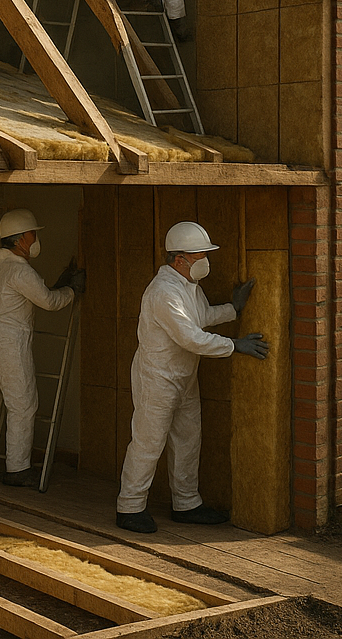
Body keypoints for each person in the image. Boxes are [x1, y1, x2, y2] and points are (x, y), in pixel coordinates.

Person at [116, 221, 268, 534]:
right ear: (179, 259)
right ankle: (129, 507)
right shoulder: (163, 292)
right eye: (200, 255)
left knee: (188, 440)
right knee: (148, 442)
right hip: (157, 377)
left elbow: (202, 317)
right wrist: (235, 345)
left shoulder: (187, 286)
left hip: (183, 375)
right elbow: (191, 337)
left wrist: (232, 309)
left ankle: (186, 504)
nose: (205, 261)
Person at [0, 209, 86, 487]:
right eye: (33, 234)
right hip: (8, 340)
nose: (36, 238)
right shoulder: (20, 270)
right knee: (23, 404)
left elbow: (37, 293)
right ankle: (17, 469)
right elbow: (49, 302)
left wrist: (61, 284)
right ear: (20, 240)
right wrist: (72, 291)